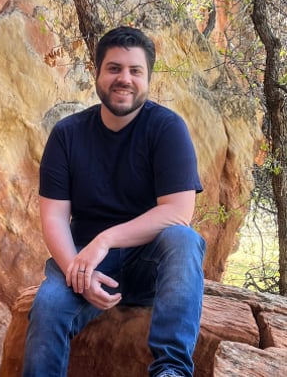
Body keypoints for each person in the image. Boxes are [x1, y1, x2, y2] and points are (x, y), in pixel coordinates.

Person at [23, 26, 206, 377]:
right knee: (47, 306)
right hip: (86, 264)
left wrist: (104, 240)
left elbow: (179, 212)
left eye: (135, 71)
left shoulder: (168, 129)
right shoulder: (68, 134)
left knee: (184, 240)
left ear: (148, 78)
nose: (125, 79)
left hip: (149, 265)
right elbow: (54, 218)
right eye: (114, 68)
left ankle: (171, 371)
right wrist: (77, 271)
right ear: (97, 74)